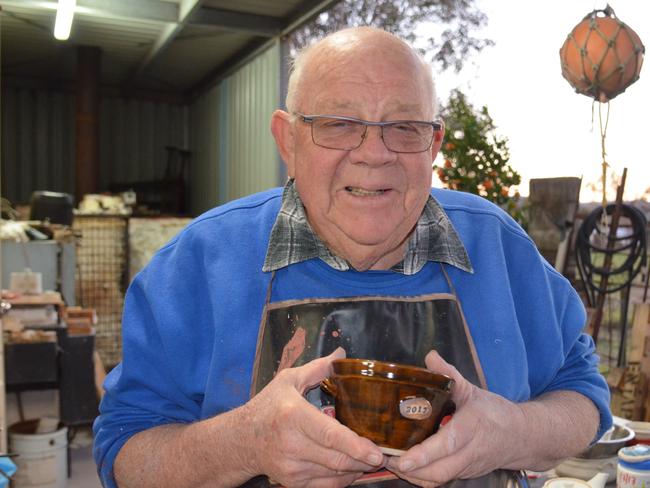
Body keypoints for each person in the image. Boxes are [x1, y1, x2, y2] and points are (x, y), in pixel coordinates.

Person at [93, 27, 611, 488]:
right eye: (339, 123)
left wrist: (509, 434)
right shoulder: (200, 264)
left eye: (404, 126)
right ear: (287, 140)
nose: (374, 152)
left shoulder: (498, 247)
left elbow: (584, 397)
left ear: (433, 145)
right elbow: (124, 454)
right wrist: (245, 442)